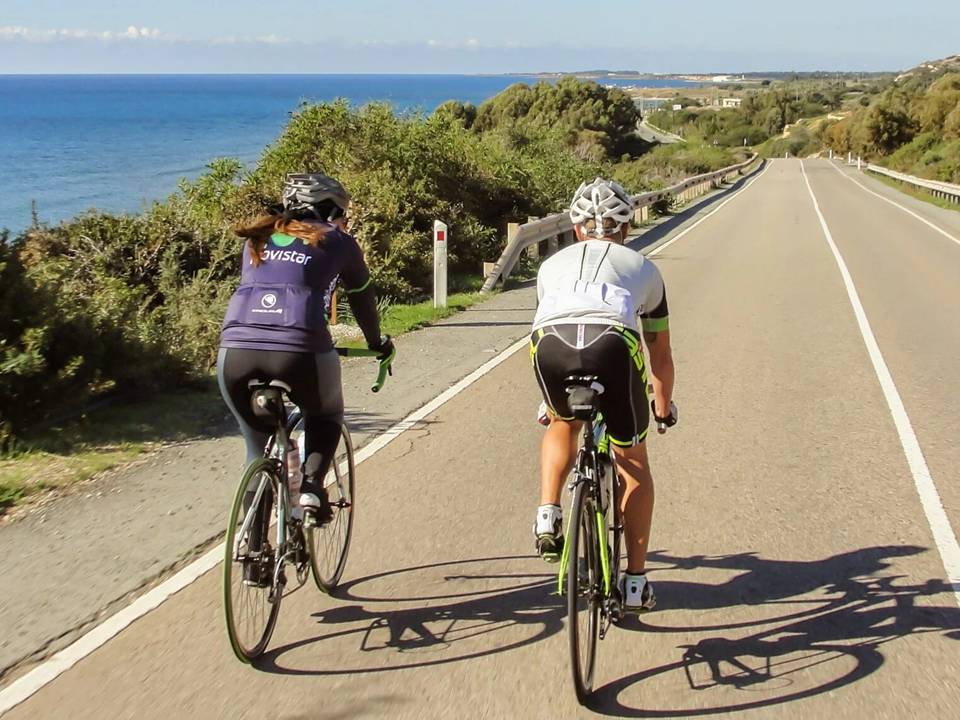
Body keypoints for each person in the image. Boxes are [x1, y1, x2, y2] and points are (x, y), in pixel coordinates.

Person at [530, 177, 676, 613]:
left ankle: (548, 511)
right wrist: (663, 408)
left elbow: (555, 317)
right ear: (626, 228)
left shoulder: (549, 267)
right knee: (632, 460)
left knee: (562, 421)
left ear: (576, 229)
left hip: (549, 343)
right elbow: (660, 352)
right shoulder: (644, 268)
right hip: (613, 343)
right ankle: (635, 582)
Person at [218, 172, 394, 528]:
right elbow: (363, 300)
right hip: (299, 350)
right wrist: (377, 344)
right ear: (328, 209)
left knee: (256, 449)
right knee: (326, 416)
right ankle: (312, 486)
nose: (342, 219)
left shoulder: (256, 238)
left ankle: (250, 547)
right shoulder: (339, 242)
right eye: (341, 212)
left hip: (234, 352)